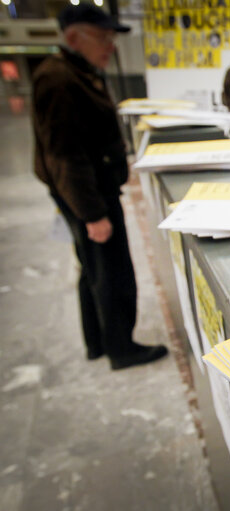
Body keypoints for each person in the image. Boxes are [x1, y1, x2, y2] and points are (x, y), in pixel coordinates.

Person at [32, 4, 168, 370]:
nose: (111, 46)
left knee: (93, 268)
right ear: (76, 37)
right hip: (89, 195)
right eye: (104, 37)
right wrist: (92, 213)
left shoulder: (79, 72)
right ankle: (122, 348)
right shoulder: (59, 79)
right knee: (111, 271)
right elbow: (65, 154)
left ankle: (98, 341)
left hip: (89, 190)